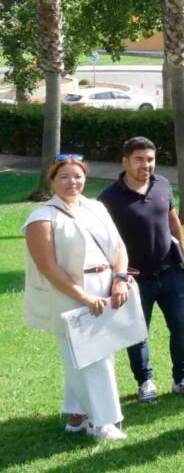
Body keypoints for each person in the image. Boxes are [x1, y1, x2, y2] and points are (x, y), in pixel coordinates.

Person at [22, 155, 131, 440]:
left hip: (106, 286)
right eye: (65, 177)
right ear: (53, 181)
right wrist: (82, 296)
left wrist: (119, 279)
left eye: (77, 176)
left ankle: (77, 416)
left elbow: (119, 246)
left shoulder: (96, 207)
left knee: (95, 354)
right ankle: (103, 422)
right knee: (91, 359)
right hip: (68, 295)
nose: (72, 182)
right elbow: (47, 266)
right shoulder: (42, 218)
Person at [98, 137, 184, 402]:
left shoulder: (163, 185)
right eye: (139, 159)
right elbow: (103, 240)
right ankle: (145, 382)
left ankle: (182, 379)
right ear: (125, 161)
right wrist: (115, 276)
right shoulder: (109, 198)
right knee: (137, 332)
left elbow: (173, 221)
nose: (146, 165)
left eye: (150, 159)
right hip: (134, 279)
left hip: (171, 272)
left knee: (182, 326)